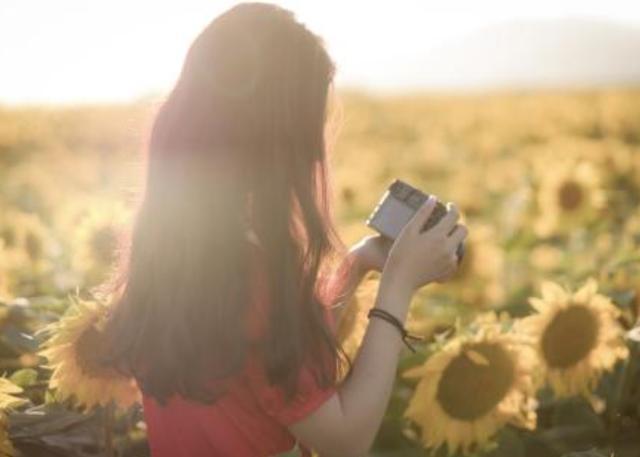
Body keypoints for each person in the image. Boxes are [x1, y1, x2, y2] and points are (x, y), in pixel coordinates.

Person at [97, 2, 467, 456]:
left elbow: (265, 361)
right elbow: (345, 440)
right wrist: (398, 289)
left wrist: (356, 266)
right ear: (274, 139)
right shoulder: (255, 277)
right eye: (307, 128)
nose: (314, 155)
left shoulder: (175, 253)